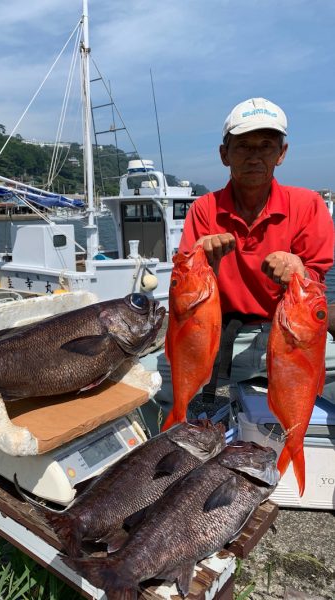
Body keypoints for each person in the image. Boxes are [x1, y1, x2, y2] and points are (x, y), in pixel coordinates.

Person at [140, 97, 335, 428]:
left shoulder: (308, 205)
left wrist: (299, 270)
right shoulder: (204, 209)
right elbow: (184, 289)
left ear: (281, 153)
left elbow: (315, 283)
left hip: (291, 332)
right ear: (224, 154)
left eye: (266, 146)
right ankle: (159, 454)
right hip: (223, 335)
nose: (255, 156)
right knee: (141, 385)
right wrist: (203, 262)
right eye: (243, 146)